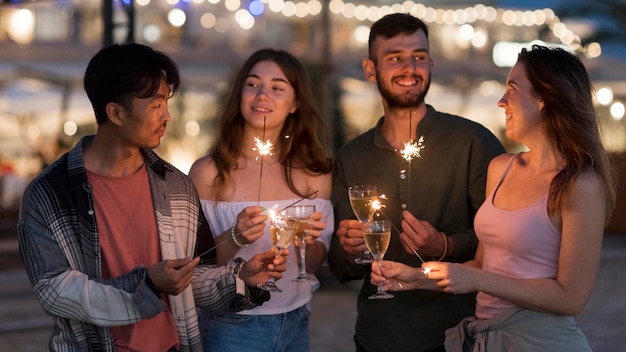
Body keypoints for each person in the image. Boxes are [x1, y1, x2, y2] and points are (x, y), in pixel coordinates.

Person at [17, 43, 288, 352]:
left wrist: (241, 279)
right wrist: (147, 285)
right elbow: (54, 291)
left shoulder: (176, 186)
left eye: (166, 102)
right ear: (116, 113)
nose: (167, 115)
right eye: (156, 104)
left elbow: (191, 279)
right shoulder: (49, 194)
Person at [371, 45, 617, 351]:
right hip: (487, 339)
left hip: (543, 341)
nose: (502, 101)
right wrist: (418, 277)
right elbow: (484, 266)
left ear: (545, 99)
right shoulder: (501, 168)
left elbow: (571, 297)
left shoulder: (579, 184)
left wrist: (479, 281)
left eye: (512, 88)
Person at [328, 13, 505, 352]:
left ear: (431, 64)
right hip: (377, 336)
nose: (409, 68)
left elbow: (501, 247)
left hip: (459, 335)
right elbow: (339, 265)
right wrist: (350, 249)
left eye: (419, 57)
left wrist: (444, 246)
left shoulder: (473, 143)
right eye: (395, 58)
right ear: (370, 69)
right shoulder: (352, 157)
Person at [188, 48, 334, 351]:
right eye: (253, 84)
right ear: (239, 94)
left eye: (278, 88)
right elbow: (194, 265)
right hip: (230, 324)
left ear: (295, 104)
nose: (262, 95)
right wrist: (236, 236)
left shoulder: (314, 174)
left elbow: (315, 263)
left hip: (296, 322)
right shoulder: (208, 173)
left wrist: (305, 243)